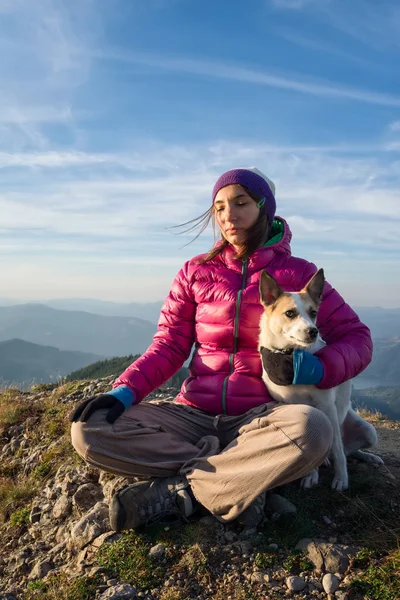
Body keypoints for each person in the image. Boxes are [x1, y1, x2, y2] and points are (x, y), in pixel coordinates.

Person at [70, 167, 377, 532]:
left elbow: (357, 338)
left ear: (264, 207)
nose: (228, 216)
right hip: (193, 413)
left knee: (313, 430)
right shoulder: (195, 272)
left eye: (240, 203)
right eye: (218, 208)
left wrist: (321, 369)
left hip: (260, 417)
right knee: (89, 430)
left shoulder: (299, 274)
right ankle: (234, 479)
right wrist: (124, 391)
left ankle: (181, 492)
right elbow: (169, 345)